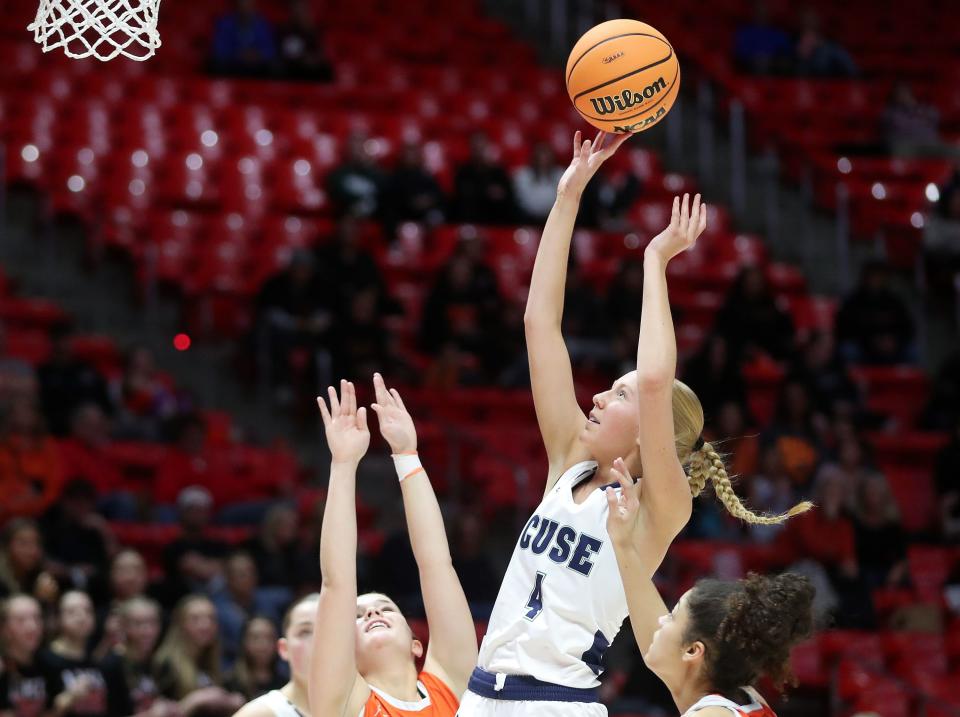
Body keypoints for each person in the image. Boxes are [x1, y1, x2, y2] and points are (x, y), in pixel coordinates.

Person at [456, 134, 810, 717]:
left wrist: (655, 261)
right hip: (480, 695)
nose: (595, 396)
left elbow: (652, 381)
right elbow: (538, 325)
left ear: (651, 432)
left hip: (556, 703)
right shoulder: (570, 460)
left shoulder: (657, 509)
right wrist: (567, 196)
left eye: (616, 393)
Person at [308, 377, 477, 716]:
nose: (371, 613)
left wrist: (407, 455)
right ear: (344, 654)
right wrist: (343, 464)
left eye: (385, 608)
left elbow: (436, 564)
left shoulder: (453, 684)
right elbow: (337, 583)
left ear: (417, 644)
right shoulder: (344, 703)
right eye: (357, 616)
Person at [605, 463, 815, 717]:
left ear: (693, 651)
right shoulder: (739, 699)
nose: (660, 619)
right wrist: (622, 542)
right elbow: (656, 632)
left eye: (672, 616)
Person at [152, 594, 244, 714]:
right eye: (195, 619)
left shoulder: (211, 661)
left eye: (211, 618)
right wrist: (196, 700)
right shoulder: (166, 664)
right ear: (181, 624)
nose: (206, 625)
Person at [233, 593, 318, 717]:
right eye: (305, 632)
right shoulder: (259, 713)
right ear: (284, 648)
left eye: (327, 629)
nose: (317, 641)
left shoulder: (354, 709)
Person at [39, 590, 119, 717]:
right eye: (72, 612)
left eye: (88, 611)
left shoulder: (100, 657)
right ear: (58, 618)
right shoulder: (45, 660)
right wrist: (69, 698)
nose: (81, 617)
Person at [99, 596, 177, 716]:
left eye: (153, 622)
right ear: (124, 626)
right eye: (138, 623)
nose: (147, 631)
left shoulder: (162, 664)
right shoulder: (111, 666)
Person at [453, 132, 516, 225]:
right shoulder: (463, 172)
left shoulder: (498, 172)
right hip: (472, 219)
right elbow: (463, 193)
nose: (479, 152)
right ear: (471, 149)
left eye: (481, 148)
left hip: (495, 219)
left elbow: (508, 194)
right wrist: (487, 192)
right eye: (476, 148)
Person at [210, 0, 277, 78]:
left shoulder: (263, 24)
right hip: (233, 64)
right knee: (217, 64)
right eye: (243, 4)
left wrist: (258, 55)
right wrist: (239, 54)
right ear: (236, 5)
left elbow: (270, 49)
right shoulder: (224, 23)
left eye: (249, 4)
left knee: (275, 66)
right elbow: (219, 48)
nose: (246, 7)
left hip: (257, 65)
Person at [225, 616, 286, 699]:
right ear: (244, 642)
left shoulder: (285, 685)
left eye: (269, 638)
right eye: (255, 638)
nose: (263, 645)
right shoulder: (229, 684)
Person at [277, 0, 333, 82]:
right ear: (292, 11)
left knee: (325, 69)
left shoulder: (313, 30)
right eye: (297, 9)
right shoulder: (286, 30)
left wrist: (315, 59)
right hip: (294, 66)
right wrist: (303, 58)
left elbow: (321, 52)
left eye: (303, 9)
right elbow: (288, 53)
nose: (300, 12)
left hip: (311, 67)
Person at [513, 142, 564, 223]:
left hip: (554, 219)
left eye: (547, 157)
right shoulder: (523, 175)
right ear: (534, 158)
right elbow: (525, 201)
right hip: (527, 218)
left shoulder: (561, 175)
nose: (544, 160)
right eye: (540, 157)